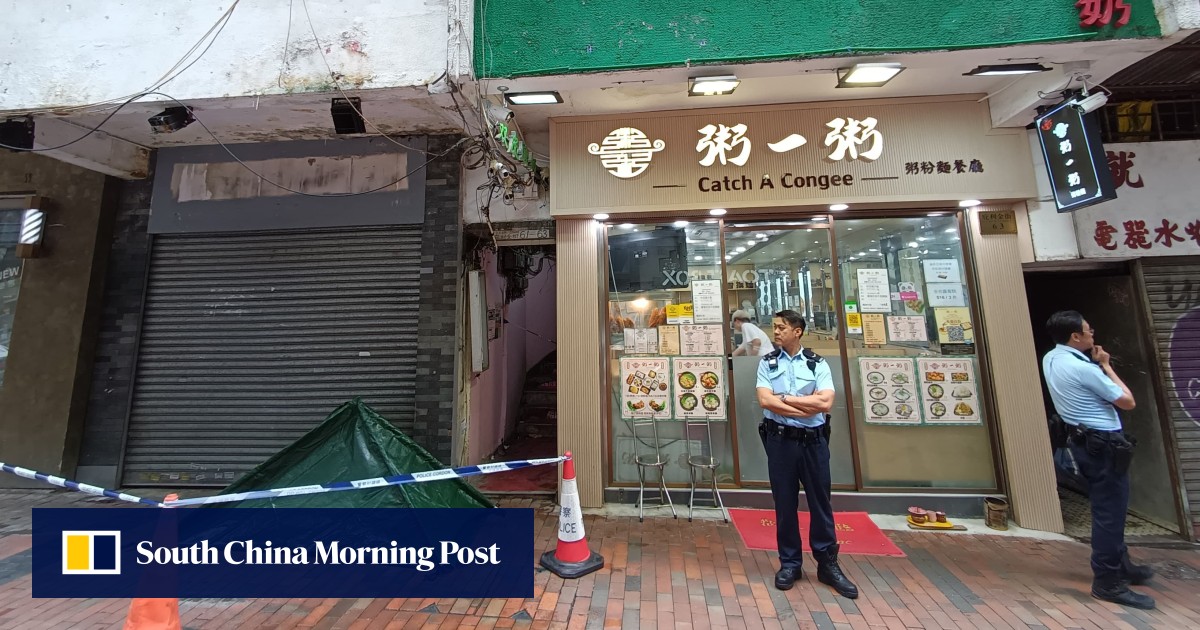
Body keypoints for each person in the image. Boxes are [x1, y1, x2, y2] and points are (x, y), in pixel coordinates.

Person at [1042, 310, 1155, 610]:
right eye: (1088, 330)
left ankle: (1122, 567)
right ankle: (1107, 582)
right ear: (1075, 336)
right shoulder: (1085, 368)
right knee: (1109, 514)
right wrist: (1105, 366)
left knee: (1108, 509)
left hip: (1081, 442)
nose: (1092, 334)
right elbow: (1127, 401)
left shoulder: (1051, 359)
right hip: (1103, 445)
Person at [755, 309, 857, 598]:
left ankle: (827, 564)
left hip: (814, 442)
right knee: (784, 503)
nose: (776, 332)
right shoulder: (767, 363)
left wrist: (786, 399)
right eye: (775, 327)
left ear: (797, 331)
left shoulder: (817, 363)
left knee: (820, 503)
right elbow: (765, 401)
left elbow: (825, 403)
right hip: (780, 442)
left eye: (781, 327)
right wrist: (802, 406)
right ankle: (790, 564)